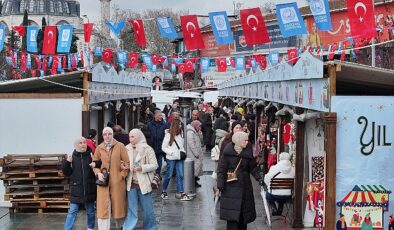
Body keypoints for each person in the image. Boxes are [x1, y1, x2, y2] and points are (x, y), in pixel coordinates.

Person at [217, 132, 263, 230]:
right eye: (245, 140)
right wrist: (220, 184)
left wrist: (259, 178)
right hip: (230, 186)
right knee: (232, 216)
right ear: (238, 140)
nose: (247, 142)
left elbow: (253, 168)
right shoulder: (227, 152)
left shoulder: (248, 152)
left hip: (245, 187)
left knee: (243, 215)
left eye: (247, 140)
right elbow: (221, 169)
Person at [93, 127, 130, 230]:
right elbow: (95, 164)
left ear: (112, 134)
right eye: (105, 134)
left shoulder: (120, 146)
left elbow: (127, 163)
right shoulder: (99, 148)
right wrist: (98, 173)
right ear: (102, 135)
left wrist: (121, 176)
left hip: (117, 182)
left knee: (118, 208)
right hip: (103, 183)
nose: (107, 136)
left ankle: (121, 227)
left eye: (109, 134)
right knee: (103, 208)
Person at [123, 129, 158, 230]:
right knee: (132, 210)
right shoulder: (127, 148)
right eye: (129, 136)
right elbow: (123, 161)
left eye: (133, 136)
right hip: (131, 184)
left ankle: (151, 228)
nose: (130, 139)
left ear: (138, 136)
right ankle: (128, 228)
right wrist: (123, 165)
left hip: (144, 184)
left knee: (148, 210)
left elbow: (155, 165)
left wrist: (141, 168)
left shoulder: (147, 149)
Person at [63, 137, 97, 230]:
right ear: (76, 145)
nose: (83, 144)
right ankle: (67, 228)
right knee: (72, 211)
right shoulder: (73, 156)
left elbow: (97, 168)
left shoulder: (91, 155)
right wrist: (67, 163)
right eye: (80, 143)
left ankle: (90, 228)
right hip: (76, 188)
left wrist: (95, 162)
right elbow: (67, 172)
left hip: (89, 187)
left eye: (84, 142)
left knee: (90, 211)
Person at [161, 118, 192, 201]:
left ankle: (181, 192)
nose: (180, 126)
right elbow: (163, 147)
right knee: (169, 174)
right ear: (175, 125)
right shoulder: (168, 135)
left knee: (180, 174)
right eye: (179, 124)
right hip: (171, 158)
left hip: (179, 157)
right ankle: (164, 191)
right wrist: (171, 153)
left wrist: (182, 151)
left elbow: (181, 145)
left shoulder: (181, 133)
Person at [264, 152, 295, 216]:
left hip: (273, 195)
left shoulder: (274, 168)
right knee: (282, 193)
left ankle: (274, 208)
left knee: (267, 194)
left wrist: (268, 186)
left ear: (280, 159)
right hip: (287, 196)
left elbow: (266, 180)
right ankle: (280, 208)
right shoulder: (293, 169)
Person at [147, 110, 168, 176]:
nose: (161, 117)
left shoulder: (164, 125)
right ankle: (153, 175)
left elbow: (167, 135)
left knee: (159, 163)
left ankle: (157, 176)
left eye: (161, 115)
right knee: (152, 163)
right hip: (152, 147)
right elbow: (148, 134)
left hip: (160, 147)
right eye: (159, 115)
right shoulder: (150, 124)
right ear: (155, 116)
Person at [186, 120, 204, 187]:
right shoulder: (190, 132)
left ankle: (195, 181)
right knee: (194, 169)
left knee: (196, 168)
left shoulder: (194, 131)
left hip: (195, 154)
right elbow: (191, 144)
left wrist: (199, 133)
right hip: (192, 154)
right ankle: (193, 183)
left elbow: (201, 140)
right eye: (199, 126)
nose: (200, 128)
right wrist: (196, 153)